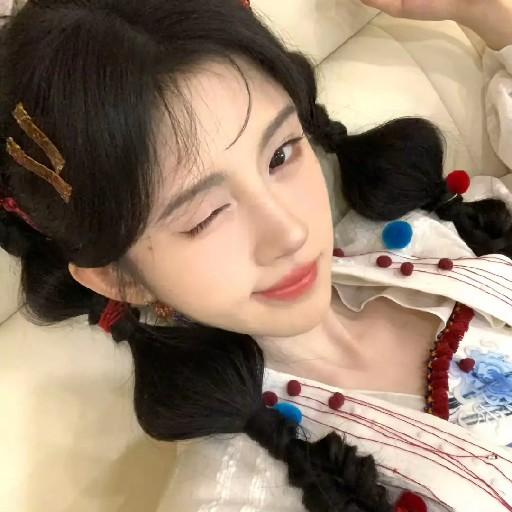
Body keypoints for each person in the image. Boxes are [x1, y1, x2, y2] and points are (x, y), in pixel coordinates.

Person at [0, 0, 511, 510]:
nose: (290, 231)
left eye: (281, 155)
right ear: (119, 280)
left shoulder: (419, 228)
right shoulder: (237, 495)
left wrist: (482, 12)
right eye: (205, 216)